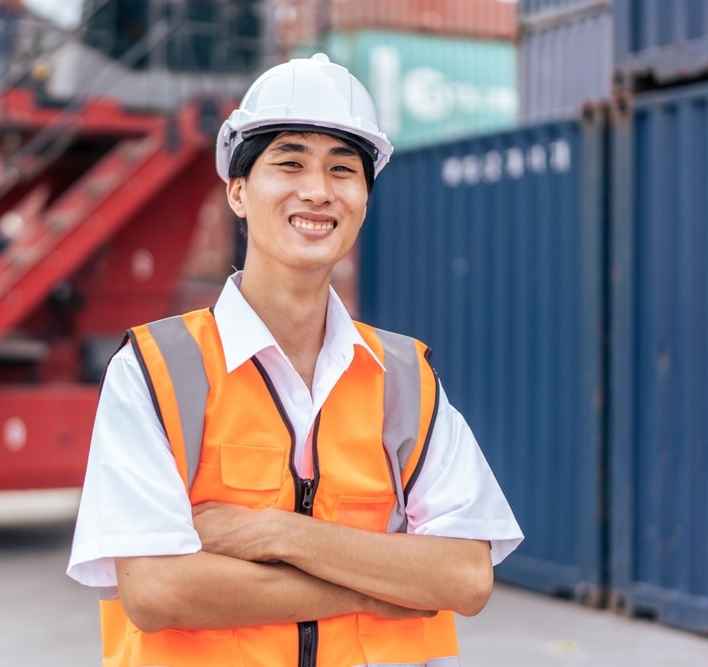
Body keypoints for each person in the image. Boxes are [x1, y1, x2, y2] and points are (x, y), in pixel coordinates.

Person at [67, 53, 523, 667]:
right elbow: (157, 590)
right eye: (289, 163)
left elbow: (465, 578)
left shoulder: (405, 378)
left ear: (363, 199)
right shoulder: (154, 370)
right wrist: (383, 584)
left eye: (343, 170)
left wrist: (272, 533)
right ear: (237, 191)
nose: (318, 189)